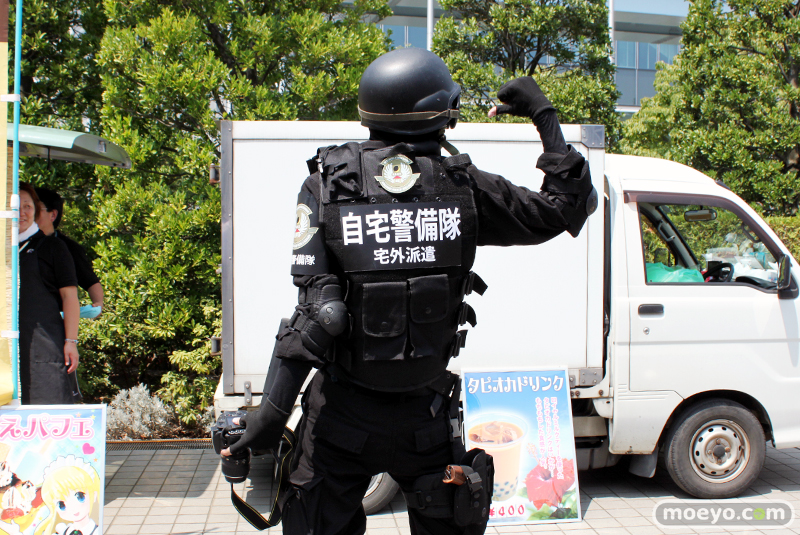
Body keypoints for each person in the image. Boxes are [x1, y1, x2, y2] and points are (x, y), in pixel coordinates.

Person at [221, 48, 596, 535]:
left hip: (341, 417)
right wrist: (543, 114)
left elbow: (321, 314)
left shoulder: (328, 184)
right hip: (426, 416)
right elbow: (563, 208)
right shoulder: (462, 186)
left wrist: (270, 417)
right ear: (440, 112)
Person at [18, 183, 80, 405]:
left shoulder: (52, 247)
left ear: (35, 210)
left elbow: (70, 297)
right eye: (15, 207)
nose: (21, 212)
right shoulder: (4, 248)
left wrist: (71, 341)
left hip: (45, 347)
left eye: (27, 206)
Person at [34, 187, 104, 312]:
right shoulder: (17, 242)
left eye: (35, 209)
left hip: (53, 317)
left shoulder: (67, 247)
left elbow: (90, 281)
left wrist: (97, 304)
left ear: (53, 215)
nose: (27, 213)